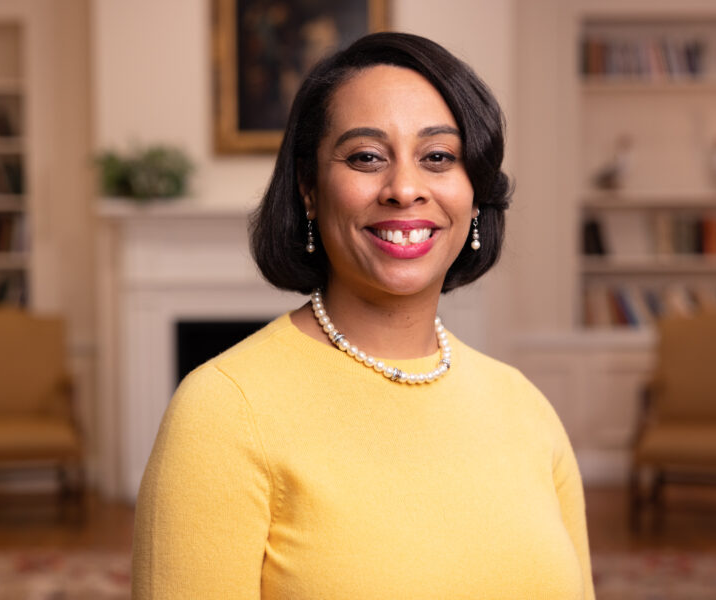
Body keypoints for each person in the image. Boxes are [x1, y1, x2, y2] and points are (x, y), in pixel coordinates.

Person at [132, 32, 595, 599]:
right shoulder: (221, 412)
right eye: (367, 157)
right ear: (309, 189)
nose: (404, 188)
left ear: (474, 193)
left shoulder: (526, 406)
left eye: (439, 158)